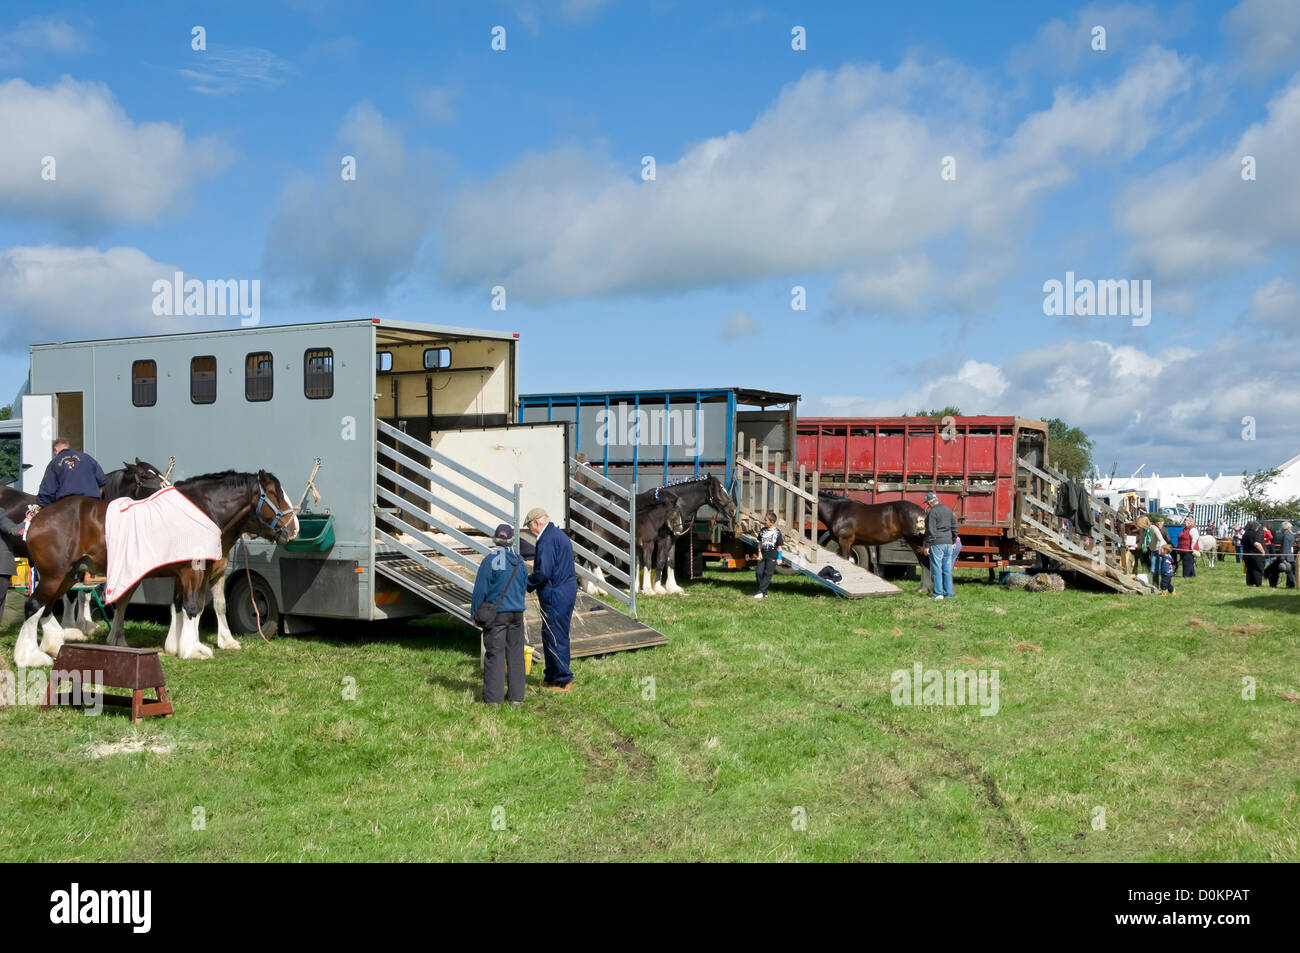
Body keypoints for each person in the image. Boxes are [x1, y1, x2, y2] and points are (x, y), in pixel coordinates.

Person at [470, 523, 528, 706]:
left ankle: (494, 699)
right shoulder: (520, 561)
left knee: (495, 654)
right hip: (517, 613)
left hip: (497, 614)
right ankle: (516, 698)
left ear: (495, 539)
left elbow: (480, 590)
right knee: (516, 654)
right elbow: (523, 586)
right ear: (512, 540)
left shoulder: (490, 560)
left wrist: (475, 614)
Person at [524, 506, 577, 692]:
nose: (531, 532)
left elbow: (543, 572)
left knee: (556, 635)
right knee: (550, 633)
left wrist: (527, 584)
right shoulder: (558, 534)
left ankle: (564, 680)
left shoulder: (546, 540)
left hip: (556, 593)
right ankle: (551, 675)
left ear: (537, 523)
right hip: (565, 589)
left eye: (530, 528)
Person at [35, 437, 107, 506]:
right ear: (67, 447)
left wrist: (42, 504)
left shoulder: (54, 463)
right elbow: (102, 481)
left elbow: (47, 491)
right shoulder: (87, 458)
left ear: (55, 449)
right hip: (92, 503)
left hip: (68, 505)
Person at [921, 490, 958, 600]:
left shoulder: (932, 512)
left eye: (927, 503)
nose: (927, 505)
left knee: (937, 569)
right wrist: (953, 541)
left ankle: (938, 594)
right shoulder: (948, 510)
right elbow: (955, 527)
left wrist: (927, 545)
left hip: (937, 543)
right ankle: (949, 593)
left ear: (930, 502)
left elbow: (931, 530)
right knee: (947, 569)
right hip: (948, 543)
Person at [754, 510, 782, 600]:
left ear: (772, 522)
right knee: (758, 572)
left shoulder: (777, 532)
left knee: (768, 574)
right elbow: (760, 542)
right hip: (763, 555)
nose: (764, 521)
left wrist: (779, 558)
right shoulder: (762, 530)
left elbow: (779, 547)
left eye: (766, 520)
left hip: (772, 556)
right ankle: (764, 592)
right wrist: (759, 553)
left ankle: (760, 592)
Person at [1265, 520, 1296, 590]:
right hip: (1290, 556)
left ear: (1284, 527)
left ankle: (1275, 584)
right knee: (1289, 572)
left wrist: (1282, 558)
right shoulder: (1291, 534)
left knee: (1276, 571)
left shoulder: (1286, 535)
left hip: (1285, 556)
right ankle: (1290, 585)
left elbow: (1285, 547)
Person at [1241, 521, 1267, 587]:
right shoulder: (1257, 534)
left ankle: (1249, 583)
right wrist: (1263, 552)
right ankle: (1258, 584)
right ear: (1255, 527)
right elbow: (1257, 544)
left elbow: (1242, 543)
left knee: (1249, 570)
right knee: (1257, 570)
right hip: (1256, 555)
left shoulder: (1245, 534)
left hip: (1247, 555)